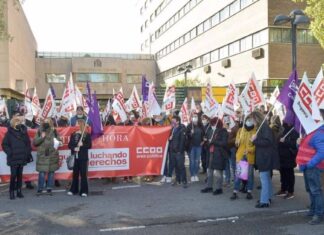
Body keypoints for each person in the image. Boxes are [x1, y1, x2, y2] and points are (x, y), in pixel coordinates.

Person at [297, 109, 324, 225]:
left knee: (315, 191)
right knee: (311, 190)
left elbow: (322, 151)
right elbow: (305, 148)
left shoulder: (318, 133)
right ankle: (314, 210)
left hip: (313, 167)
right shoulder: (311, 132)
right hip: (307, 167)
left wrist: (310, 164)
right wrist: (298, 142)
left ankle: (318, 214)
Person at [251, 111, 279, 208]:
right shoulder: (262, 127)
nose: (251, 121)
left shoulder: (264, 127)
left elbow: (267, 141)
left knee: (264, 179)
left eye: (252, 119)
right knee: (266, 178)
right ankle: (268, 197)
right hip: (264, 157)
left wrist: (255, 140)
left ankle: (264, 201)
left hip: (265, 157)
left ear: (256, 118)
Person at [2, 115, 33, 200]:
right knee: (13, 175)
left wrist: (26, 152)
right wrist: (10, 152)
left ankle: (19, 191)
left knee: (20, 175)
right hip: (13, 157)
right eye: (17, 122)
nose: (19, 123)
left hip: (22, 157)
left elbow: (28, 143)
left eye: (19, 121)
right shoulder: (9, 133)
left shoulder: (23, 132)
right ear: (13, 123)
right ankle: (11, 192)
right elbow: (4, 144)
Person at [230, 114, 256, 200]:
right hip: (240, 156)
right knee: (238, 174)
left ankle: (249, 191)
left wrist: (249, 150)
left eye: (251, 120)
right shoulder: (240, 130)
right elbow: (237, 142)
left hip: (249, 156)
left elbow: (256, 146)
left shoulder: (255, 132)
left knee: (250, 175)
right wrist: (237, 142)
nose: (249, 122)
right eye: (248, 120)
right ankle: (235, 192)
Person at [33, 118, 62, 196]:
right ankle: (40, 188)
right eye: (45, 122)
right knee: (41, 173)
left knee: (51, 173)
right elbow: (35, 143)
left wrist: (59, 142)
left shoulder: (54, 131)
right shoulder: (39, 131)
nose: (46, 123)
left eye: (48, 122)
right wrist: (42, 137)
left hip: (52, 155)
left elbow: (60, 142)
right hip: (42, 155)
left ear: (51, 123)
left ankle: (49, 188)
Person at [201, 117, 229, 195]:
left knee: (218, 173)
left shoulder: (223, 131)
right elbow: (208, 142)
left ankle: (218, 188)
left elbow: (224, 143)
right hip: (210, 153)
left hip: (219, 154)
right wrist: (206, 141)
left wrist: (213, 142)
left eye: (213, 124)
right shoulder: (210, 131)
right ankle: (209, 186)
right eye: (211, 124)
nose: (212, 125)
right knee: (209, 171)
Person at [67, 118, 92, 197]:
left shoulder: (86, 134)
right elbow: (69, 145)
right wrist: (74, 148)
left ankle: (84, 191)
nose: (75, 125)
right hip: (75, 157)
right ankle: (74, 190)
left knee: (83, 174)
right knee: (75, 174)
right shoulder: (73, 134)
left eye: (77, 124)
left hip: (83, 157)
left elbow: (89, 145)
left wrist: (82, 145)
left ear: (81, 124)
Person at [276, 122, 298, 199]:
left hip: (289, 157)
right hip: (281, 156)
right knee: (282, 174)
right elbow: (278, 139)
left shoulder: (294, 130)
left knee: (289, 175)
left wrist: (285, 141)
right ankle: (283, 189)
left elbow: (294, 144)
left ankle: (290, 191)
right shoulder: (282, 128)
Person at [168, 115, 188, 188]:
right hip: (172, 151)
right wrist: (169, 138)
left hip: (179, 152)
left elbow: (182, 141)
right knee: (176, 166)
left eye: (173, 121)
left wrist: (180, 151)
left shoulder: (181, 129)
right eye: (172, 121)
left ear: (178, 121)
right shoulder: (172, 128)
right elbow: (170, 139)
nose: (172, 122)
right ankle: (178, 180)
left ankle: (184, 181)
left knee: (181, 166)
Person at [186, 113, 204, 182]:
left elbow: (204, 134)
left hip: (199, 146)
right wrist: (191, 133)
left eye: (196, 116)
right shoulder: (189, 126)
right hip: (191, 146)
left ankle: (196, 174)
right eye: (193, 116)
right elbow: (187, 136)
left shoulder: (200, 125)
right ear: (191, 118)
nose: (194, 117)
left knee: (197, 161)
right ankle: (192, 175)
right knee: (192, 161)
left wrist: (203, 141)